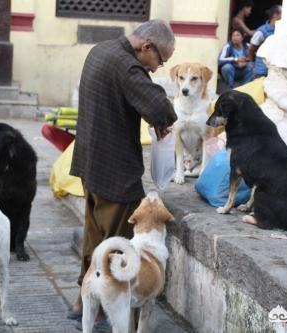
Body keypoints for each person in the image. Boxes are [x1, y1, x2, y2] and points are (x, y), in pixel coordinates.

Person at [69, 19, 177, 331]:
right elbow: (162, 109)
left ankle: (82, 301)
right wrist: (159, 118)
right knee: (115, 244)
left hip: (89, 164)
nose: (157, 68)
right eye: (161, 60)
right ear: (147, 47)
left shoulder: (100, 50)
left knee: (94, 236)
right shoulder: (127, 67)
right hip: (115, 173)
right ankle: (103, 309)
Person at [247, 4, 282, 78]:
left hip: (276, 71)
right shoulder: (261, 32)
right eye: (282, 13)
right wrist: (251, 63)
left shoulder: (281, 31)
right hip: (262, 72)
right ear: (275, 15)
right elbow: (251, 50)